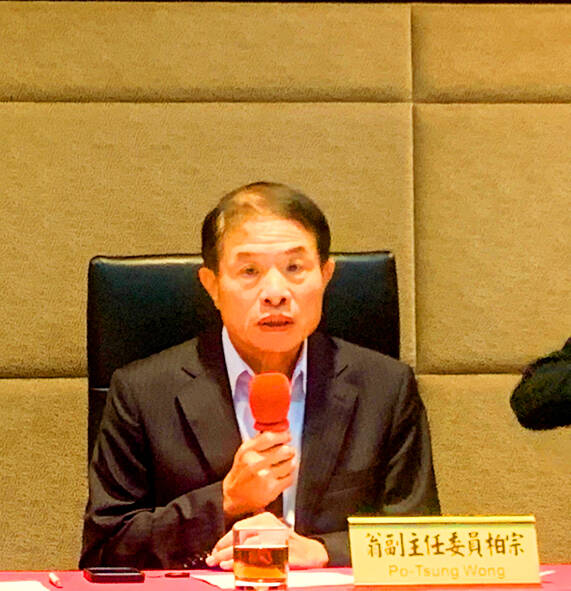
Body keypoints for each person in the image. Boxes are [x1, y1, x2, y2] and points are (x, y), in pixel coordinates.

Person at [80, 182, 439, 570]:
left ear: (326, 276)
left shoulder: (385, 388)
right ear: (212, 286)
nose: (275, 293)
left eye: (295, 268)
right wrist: (225, 501)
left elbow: (418, 541)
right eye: (249, 271)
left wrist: (322, 551)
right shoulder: (143, 393)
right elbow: (105, 549)